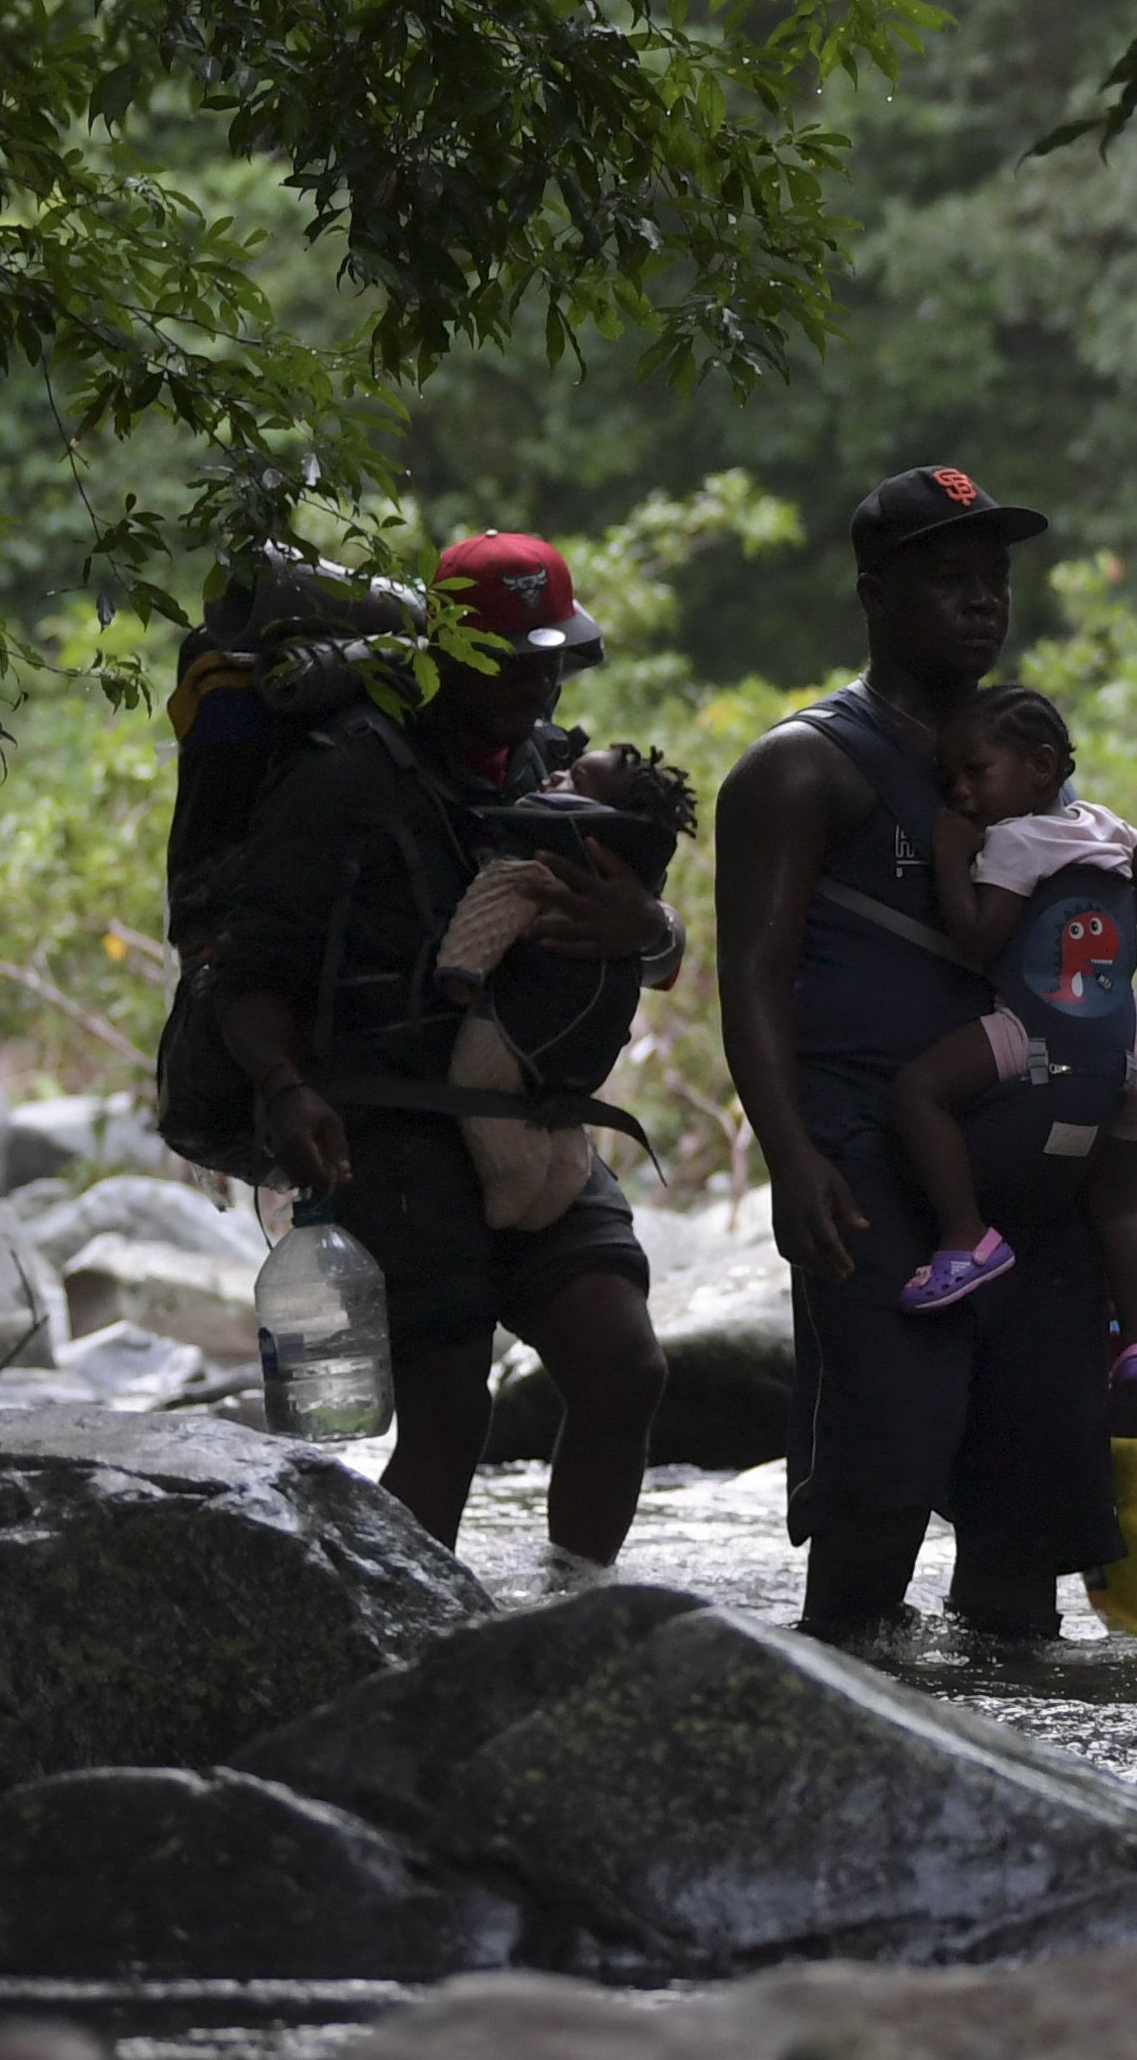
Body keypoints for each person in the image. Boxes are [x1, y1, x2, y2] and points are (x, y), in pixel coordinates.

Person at [716, 466, 1137, 1640]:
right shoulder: (800, 766)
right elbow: (750, 976)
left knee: (1031, 1489)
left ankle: (1019, 1750)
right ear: (872, 595)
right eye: (947, 579)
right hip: (868, 1145)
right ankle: (851, 1703)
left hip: (1029, 1153)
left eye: (993, 580)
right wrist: (790, 1155)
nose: (980, 602)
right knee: (888, 1464)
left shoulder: (1022, 757)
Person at [207, 531, 682, 1561]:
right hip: (388, 1124)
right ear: (443, 652)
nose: (537, 677)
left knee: (623, 1367)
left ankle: (576, 1624)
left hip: (533, 1115)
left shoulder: (560, 767)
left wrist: (643, 929)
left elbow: (654, 948)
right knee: (448, 1412)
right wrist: (285, 1091)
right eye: (509, 656)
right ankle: (408, 1660)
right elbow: (245, 975)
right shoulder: (344, 778)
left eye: (552, 655)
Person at [881, 686, 1137, 1330]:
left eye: (977, 771)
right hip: (1131, 1048)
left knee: (918, 1092)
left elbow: (976, 936)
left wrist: (949, 859)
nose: (961, 792)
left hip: (1038, 1032)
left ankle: (967, 1236)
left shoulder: (1013, 842)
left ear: (1042, 767)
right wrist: (1100, 907)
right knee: (1121, 1204)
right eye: (949, 780)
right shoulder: (1107, 827)